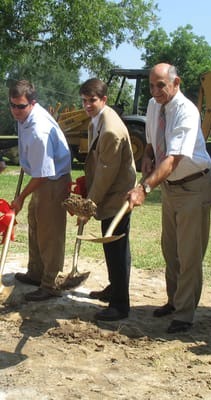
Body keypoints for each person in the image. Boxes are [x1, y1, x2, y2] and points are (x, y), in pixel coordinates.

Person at [127, 63, 211, 334]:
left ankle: (185, 314)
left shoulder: (186, 111)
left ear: (176, 83)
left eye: (161, 86)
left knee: (189, 254)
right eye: (152, 86)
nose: (155, 91)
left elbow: (174, 159)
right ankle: (174, 300)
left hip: (193, 187)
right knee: (171, 249)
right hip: (171, 188)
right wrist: (147, 155)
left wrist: (144, 188)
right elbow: (154, 139)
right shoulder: (156, 105)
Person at [79, 78, 136, 321]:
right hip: (109, 191)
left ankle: (120, 305)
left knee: (116, 247)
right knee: (110, 245)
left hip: (116, 194)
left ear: (104, 99)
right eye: (84, 100)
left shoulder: (111, 129)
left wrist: (89, 205)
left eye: (92, 100)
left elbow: (106, 172)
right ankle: (115, 288)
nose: (87, 105)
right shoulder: (98, 119)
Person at [9, 80, 72, 301]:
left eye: (21, 106)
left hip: (53, 181)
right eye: (13, 105)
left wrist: (21, 197)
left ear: (32, 103)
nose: (16, 110)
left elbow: (44, 173)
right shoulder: (23, 117)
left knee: (50, 232)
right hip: (42, 176)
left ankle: (50, 283)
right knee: (35, 224)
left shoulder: (38, 130)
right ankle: (36, 273)